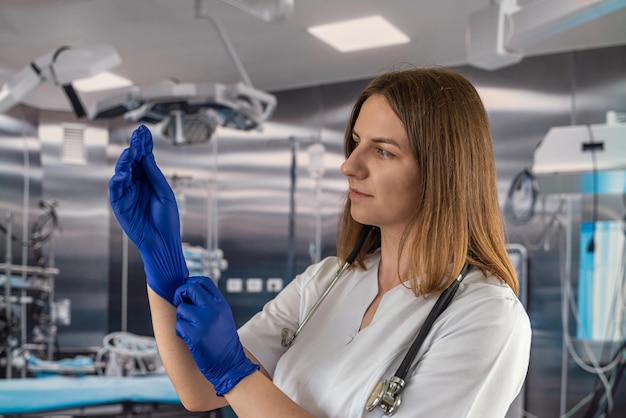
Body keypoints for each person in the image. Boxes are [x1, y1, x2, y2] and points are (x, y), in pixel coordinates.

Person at [109, 67, 532, 418]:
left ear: (444, 169)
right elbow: (201, 390)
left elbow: (229, 379)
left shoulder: (484, 314)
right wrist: (163, 265)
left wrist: (236, 373)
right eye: (355, 143)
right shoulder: (328, 281)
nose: (350, 165)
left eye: (382, 151)